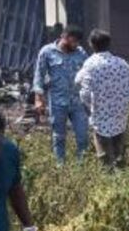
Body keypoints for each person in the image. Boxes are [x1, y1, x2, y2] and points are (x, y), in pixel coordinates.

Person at [74, 29, 129, 168]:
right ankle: (121, 177)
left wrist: (90, 107)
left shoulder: (90, 64)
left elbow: (84, 92)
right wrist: (125, 104)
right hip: (120, 113)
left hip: (100, 113)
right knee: (119, 150)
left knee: (103, 153)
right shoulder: (122, 63)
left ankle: (108, 176)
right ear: (109, 44)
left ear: (91, 44)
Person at [31, 26, 89, 162]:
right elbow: (39, 75)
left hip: (78, 102)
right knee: (59, 137)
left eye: (78, 42)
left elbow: (88, 73)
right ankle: (60, 167)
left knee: (83, 137)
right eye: (73, 41)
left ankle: (83, 167)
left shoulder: (81, 53)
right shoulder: (47, 52)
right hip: (57, 102)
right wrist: (38, 99)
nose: (76, 45)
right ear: (64, 37)